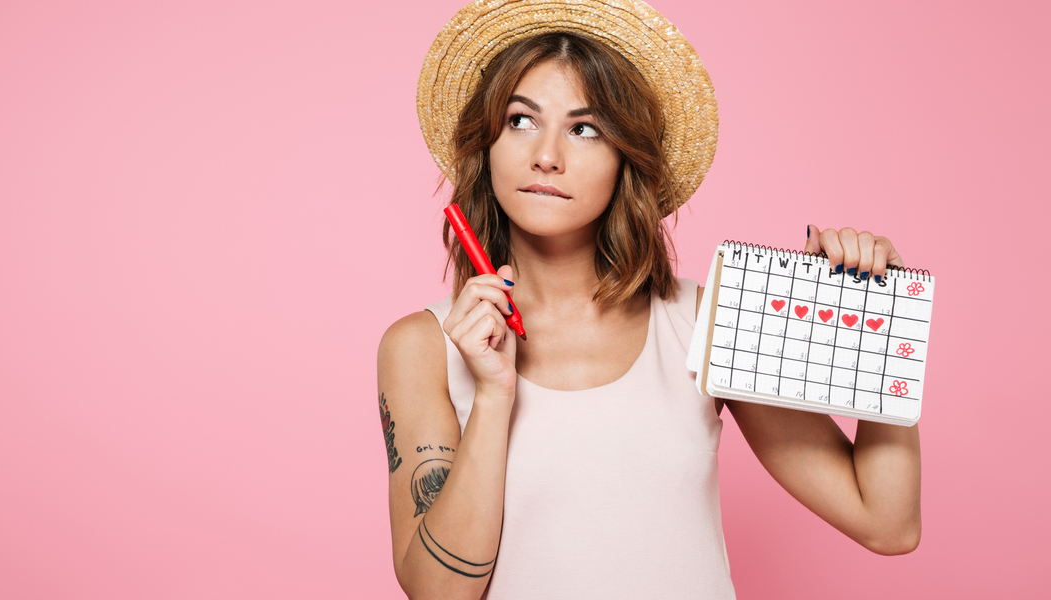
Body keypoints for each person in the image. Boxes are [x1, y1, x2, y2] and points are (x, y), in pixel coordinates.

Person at [377, 1, 921, 598]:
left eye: (585, 129)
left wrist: (881, 327)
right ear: (489, 143)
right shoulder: (423, 347)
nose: (547, 155)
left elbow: (886, 523)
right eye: (520, 120)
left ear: (625, 159)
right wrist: (494, 393)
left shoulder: (707, 320)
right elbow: (437, 592)